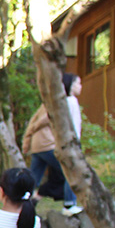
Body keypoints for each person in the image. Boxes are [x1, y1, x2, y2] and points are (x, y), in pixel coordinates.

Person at [22, 74, 83, 217]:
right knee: (71, 170)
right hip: (49, 144)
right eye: (77, 83)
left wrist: (27, 141)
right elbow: (72, 126)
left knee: (33, 178)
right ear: (69, 85)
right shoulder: (68, 101)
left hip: (37, 146)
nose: (80, 87)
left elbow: (33, 122)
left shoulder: (46, 103)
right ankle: (69, 204)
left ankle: (21, 203)